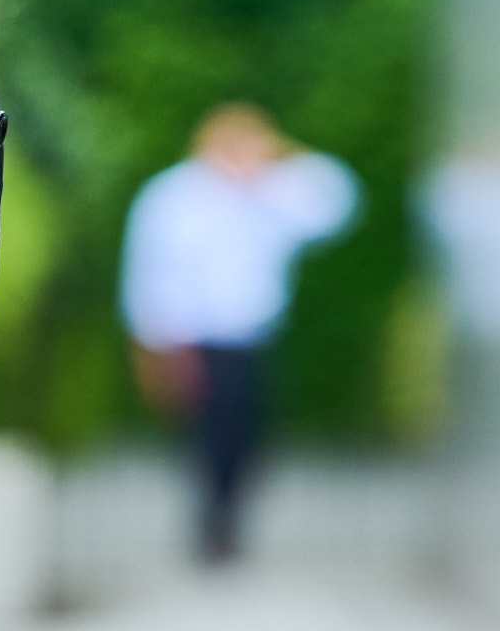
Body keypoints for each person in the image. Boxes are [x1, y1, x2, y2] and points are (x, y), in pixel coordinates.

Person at [120, 102, 357, 565]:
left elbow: (338, 203)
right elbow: (150, 272)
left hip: (252, 342)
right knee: (209, 438)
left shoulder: (272, 192)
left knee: (252, 438)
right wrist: (155, 342)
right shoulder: (175, 196)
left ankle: (228, 521)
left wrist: (277, 159)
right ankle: (212, 527)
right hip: (194, 342)